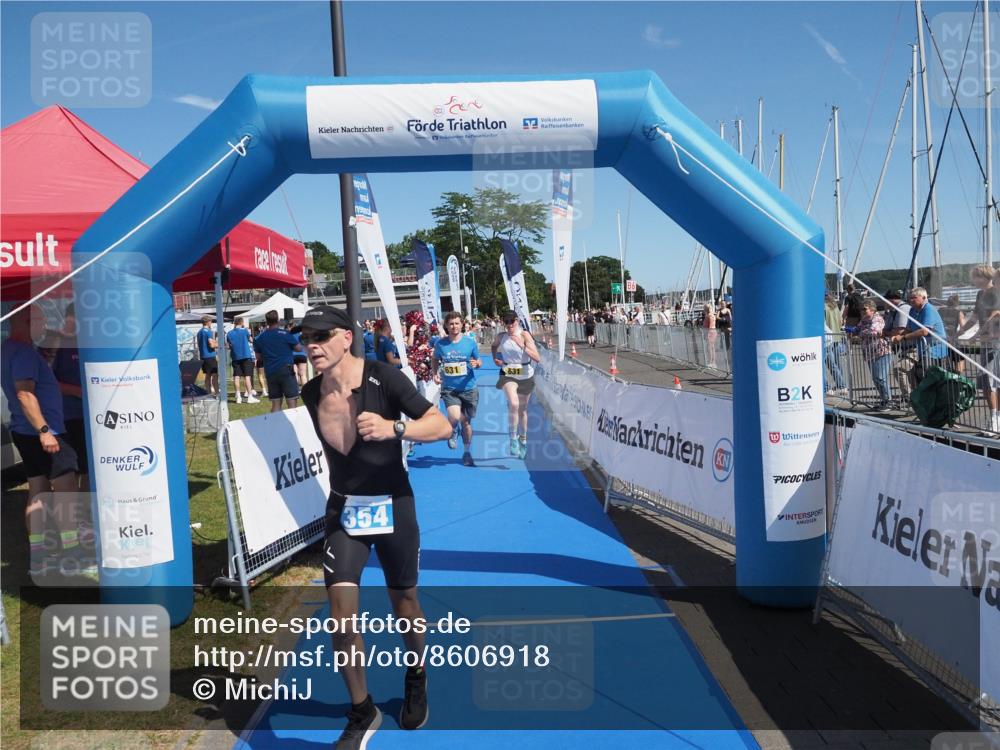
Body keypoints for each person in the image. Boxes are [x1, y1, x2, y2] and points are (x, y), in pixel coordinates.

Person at [298, 306, 451, 749]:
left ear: (347, 337)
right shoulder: (310, 393)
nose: (312, 345)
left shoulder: (386, 378)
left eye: (322, 335)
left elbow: (440, 425)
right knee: (341, 617)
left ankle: (417, 673)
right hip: (345, 511)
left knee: (405, 602)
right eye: (306, 337)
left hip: (393, 506)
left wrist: (394, 428)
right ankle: (362, 710)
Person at [1, 305, 91, 579]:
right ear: (24, 322)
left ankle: (39, 558)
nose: (44, 325)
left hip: (24, 431)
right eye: (39, 320)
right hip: (45, 432)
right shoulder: (25, 352)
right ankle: (72, 553)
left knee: (38, 491)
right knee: (65, 491)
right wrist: (44, 430)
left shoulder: (8, 348)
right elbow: (25, 395)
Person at [432, 311, 482, 467]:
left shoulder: (470, 342)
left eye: (457, 323)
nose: (454, 326)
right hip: (450, 389)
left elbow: (478, 360)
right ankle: (452, 430)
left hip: (469, 388)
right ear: (446, 326)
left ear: (462, 325)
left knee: (466, 423)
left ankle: (467, 452)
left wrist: (477, 364)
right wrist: (435, 373)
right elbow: (435, 359)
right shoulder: (440, 344)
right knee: (454, 416)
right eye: (451, 324)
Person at [491, 312, 541, 458]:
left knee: (523, 411)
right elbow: (494, 346)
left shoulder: (525, 335)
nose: (509, 325)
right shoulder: (501, 336)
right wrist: (495, 358)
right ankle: (513, 438)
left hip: (525, 375)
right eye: (506, 322)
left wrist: (522, 346)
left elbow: (537, 358)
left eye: (511, 321)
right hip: (508, 374)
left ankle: (523, 440)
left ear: (517, 321)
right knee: (514, 404)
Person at [958, 265, 1000, 431]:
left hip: (994, 342)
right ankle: (994, 416)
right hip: (986, 342)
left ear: (987, 277)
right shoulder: (980, 294)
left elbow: (993, 316)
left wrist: (976, 335)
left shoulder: (994, 292)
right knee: (987, 381)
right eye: (974, 277)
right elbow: (975, 317)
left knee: (990, 381)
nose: (975, 280)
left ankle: (995, 418)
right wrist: (961, 331)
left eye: (978, 276)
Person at [889, 287, 948, 387]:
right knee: (919, 376)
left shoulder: (928, 309)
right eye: (910, 298)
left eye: (914, 298)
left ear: (924, 297)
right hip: (922, 350)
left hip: (935, 351)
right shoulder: (913, 310)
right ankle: (918, 399)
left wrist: (903, 338)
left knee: (928, 379)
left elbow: (924, 331)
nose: (911, 300)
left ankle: (929, 400)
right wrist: (897, 335)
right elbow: (910, 328)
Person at [254, 310, 303, 412]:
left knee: (276, 403)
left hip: (270, 371)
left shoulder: (260, 337)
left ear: (266, 321)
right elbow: (298, 348)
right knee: (292, 402)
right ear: (278, 320)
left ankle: (275, 426)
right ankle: (292, 426)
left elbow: (258, 356)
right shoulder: (285, 334)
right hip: (286, 369)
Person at [850, 299, 893, 411]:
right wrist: (853, 330)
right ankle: (884, 400)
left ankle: (888, 401)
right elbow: (857, 328)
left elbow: (875, 331)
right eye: (861, 309)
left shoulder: (877, 318)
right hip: (870, 353)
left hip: (881, 351)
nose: (862, 311)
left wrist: (860, 333)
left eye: (865, 309)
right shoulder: (864, 320)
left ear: (872, 309)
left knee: (880, 377)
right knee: (876, 378)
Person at [227, 317, 260, 404]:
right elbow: (251, 340)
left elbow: (229, 346)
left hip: (235, 357)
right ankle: (249, 396)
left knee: (236, 376)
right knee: (247, 376)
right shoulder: (245, 331)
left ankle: (238, 396)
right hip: (246, 356)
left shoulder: (229, 333)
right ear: (241, 322)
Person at [823, 292, 847, 395]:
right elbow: (840, 321)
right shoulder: (835, 306)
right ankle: (841, 385)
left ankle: (829, 387)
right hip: (836, 335)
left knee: (828, 363)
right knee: (835, 363)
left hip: (827, 336)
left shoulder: (822, 306)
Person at [196, 316, 218, 396]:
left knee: (207, 376)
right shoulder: (208, 332)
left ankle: (208, 394)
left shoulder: (199, 332)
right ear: (208, 322)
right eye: (211, 321)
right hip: (210, 356)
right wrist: (219, 344)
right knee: (214, 375)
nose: (211, 323)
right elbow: (211, 344)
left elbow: (199, 344)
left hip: (203, 356)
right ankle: (217, 393)